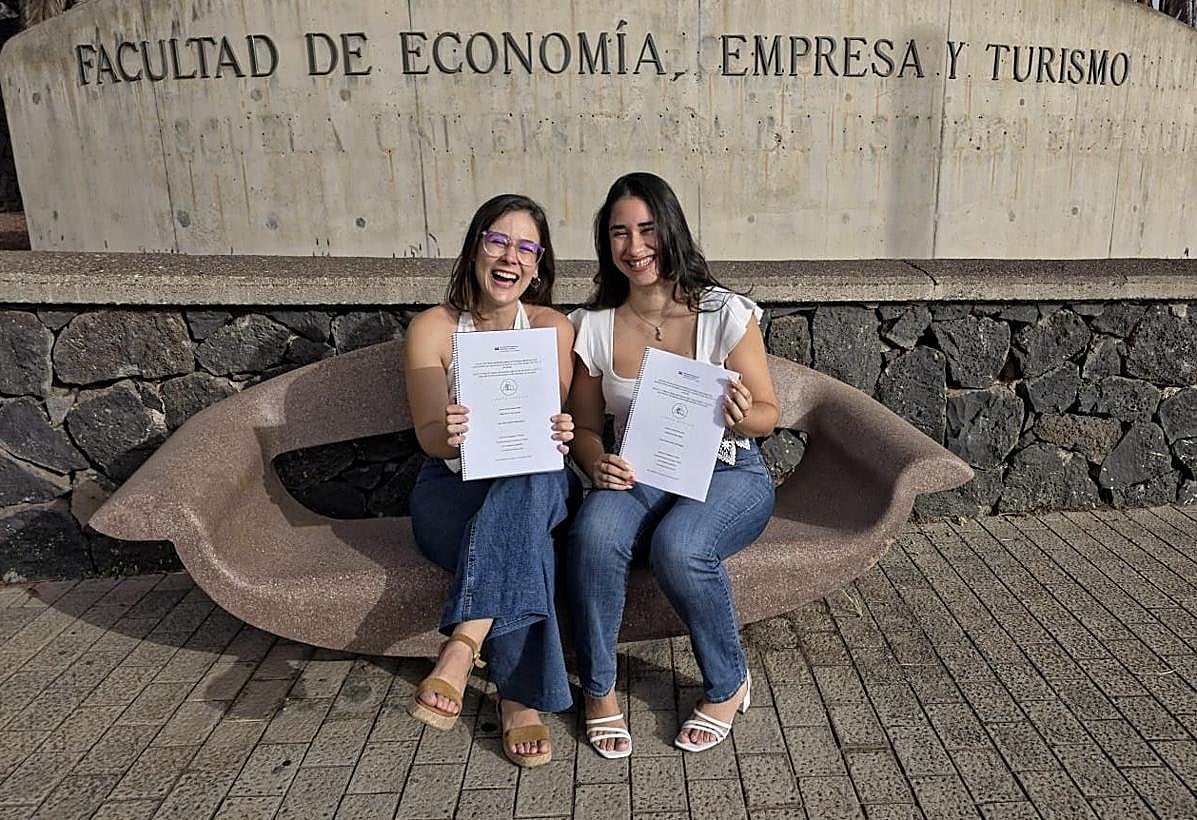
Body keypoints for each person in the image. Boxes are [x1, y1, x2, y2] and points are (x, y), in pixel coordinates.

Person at [566, 172, 779, 757]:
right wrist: (596, 463)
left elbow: (767, 413)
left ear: (671, 229)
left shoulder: (724, 313)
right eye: (618, 234)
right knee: (593, 533)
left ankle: (729, 680)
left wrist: (742, 415)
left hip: (729, 471)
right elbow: (585, 429)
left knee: (680, 546)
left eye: (646, 229)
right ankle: (600, 689)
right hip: (639, 472)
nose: (634, 248)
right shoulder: (595, 326)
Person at [404, 194, 579, 768]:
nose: (511, 257)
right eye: (498, 241)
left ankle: (462, 646)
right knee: (529, 542)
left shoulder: (553, 328)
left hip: (535, 479)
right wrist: (445, 432)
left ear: (539, 262)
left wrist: (561, 428)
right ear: (476, 246)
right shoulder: (432, 327)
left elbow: (544, 434)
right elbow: (429, 436)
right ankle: (519, 701)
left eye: (525, 247)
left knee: (533, 480)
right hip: (452, 490)